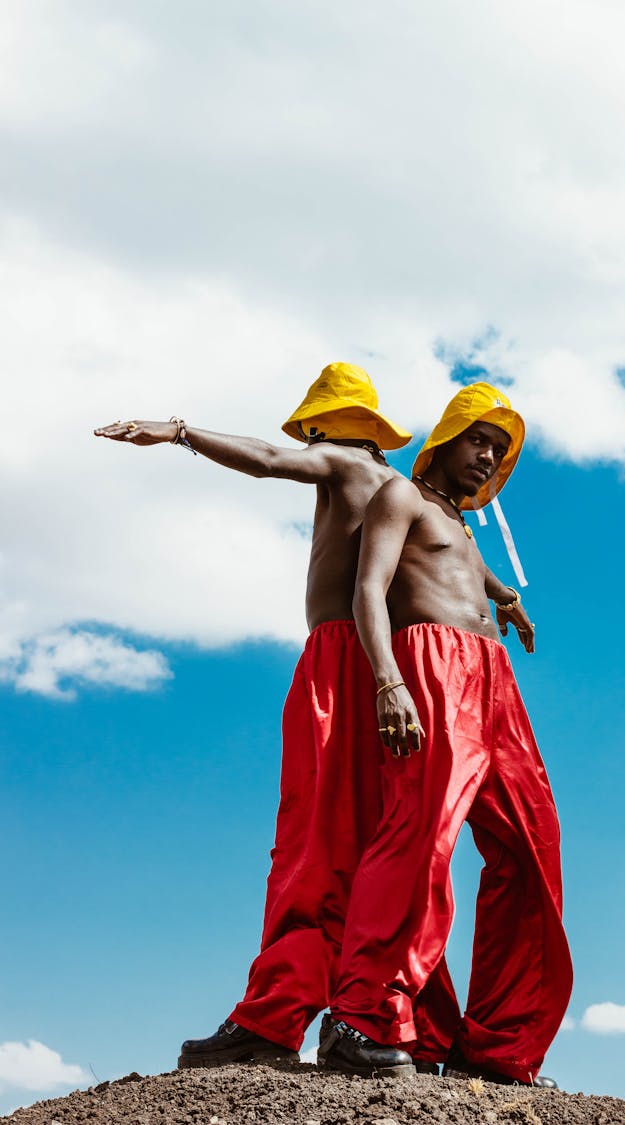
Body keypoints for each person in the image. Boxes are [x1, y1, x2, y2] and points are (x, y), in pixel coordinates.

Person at [94, 365, 532, 1073]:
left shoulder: (345, 461)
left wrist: (179, 430)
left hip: (349, 658)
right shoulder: (404, 489)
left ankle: (284, 1014)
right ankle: (389, 1013)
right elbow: (442, 551)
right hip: (398, 663)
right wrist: (498, 595)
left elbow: (267, 460)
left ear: (328, 423)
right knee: (384, 841)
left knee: (317, 842)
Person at [318, 382, 573, 1084]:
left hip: (495, 681)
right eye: (478, 441)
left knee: (531, 848)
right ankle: (361, 1016)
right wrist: (387, 679)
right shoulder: (398, 496)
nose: (488, 456)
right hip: (431, 667)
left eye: (499, 449)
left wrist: (508, 600)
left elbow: (470, 569)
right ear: (444, 439)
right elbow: (369, 588)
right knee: (420, 838)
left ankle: (494, 1044)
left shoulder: (458, 524)